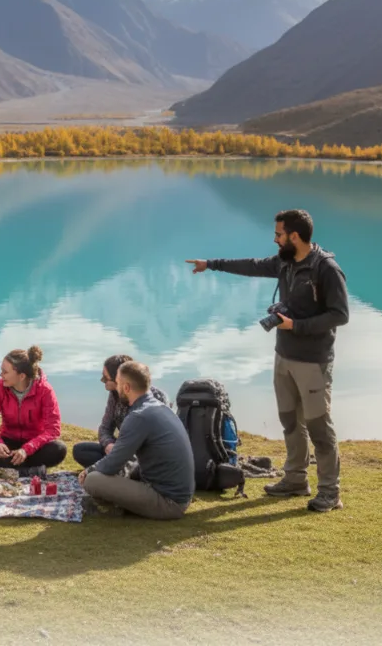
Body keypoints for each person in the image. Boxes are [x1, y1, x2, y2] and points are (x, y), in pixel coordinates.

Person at [186, 208, 349, 513]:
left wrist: (296, 326)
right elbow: (253, 265)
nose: (275, 240)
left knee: (319, 428)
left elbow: (340, 315)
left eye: (278, 234)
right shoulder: (285, 263)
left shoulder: (326, 269)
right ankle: (296, 480)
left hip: (313, 362)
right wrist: (212, 265)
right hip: (284, 357)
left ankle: (330, 492)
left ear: (294, 236)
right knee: (290, 421)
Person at [79, 361, 194, 520]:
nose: (117, 388)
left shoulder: (138, 416)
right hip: (179, 495)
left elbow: (113, 463)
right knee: (122, 469)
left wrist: (88, 471)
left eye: (118, 383)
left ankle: (112, 508)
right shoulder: (159, 407)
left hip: (168, 502)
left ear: (126, 388)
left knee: (92, 480)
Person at [0, 345, 67, 475]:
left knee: (59, 449)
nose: (1, 375)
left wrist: (26, 449)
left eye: (5, 372)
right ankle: (27, 471)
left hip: (33, 447)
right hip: (7, 443)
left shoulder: (45, 390)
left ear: (21, 376)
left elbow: (53, 429)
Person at [71, 353, 171, 471]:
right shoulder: (115, 394)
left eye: (105, 379)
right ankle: (115, 470)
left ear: (119, 380)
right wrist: (109, 445)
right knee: (81, 450)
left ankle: (118, 472)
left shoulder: (156, 399)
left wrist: (124, 454)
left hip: (143, 457)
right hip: (120, 450)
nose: (102, 382)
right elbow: (104, 428)